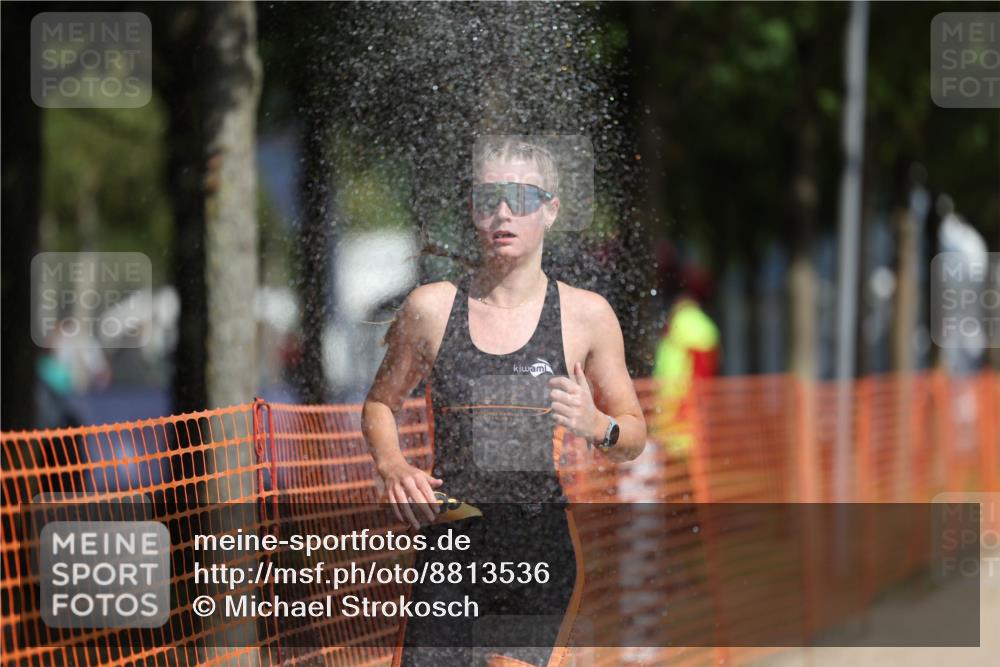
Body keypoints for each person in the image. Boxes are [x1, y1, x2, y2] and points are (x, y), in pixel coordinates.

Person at [362, 137, 646, 667]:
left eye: (521, 196)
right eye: (488, 197)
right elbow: (380, 404)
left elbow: (633, 436)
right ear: (472, 209)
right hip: (451, 542)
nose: (503, 212)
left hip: (537, 544)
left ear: (551, 209)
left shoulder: (586, 316)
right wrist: (392, 463)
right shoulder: (432, 309)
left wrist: (596, 424)